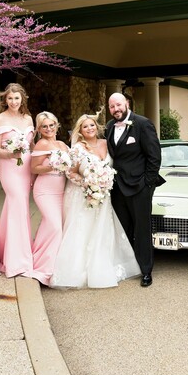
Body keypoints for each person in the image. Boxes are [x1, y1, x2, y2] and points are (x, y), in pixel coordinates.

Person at [50, 113, 141, 289]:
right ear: (80, 131)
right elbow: (70, 172)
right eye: (85, 126)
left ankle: (102, 266)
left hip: (104, 196)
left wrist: (103, 183)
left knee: (102, 230)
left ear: (96, 126)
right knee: (84, 229)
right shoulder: (77, 148)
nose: (89, 128)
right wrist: (88, 183)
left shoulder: (106, 143)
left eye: (92, 125)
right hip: (85, 195)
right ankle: (79, 270)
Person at [105, 93, 164, 287]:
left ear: (127, 104)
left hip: (140, 187)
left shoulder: (143, 124)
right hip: (117, 188)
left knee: (142, 229)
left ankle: (146, 270)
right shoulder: (109, 127)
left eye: (119, 105)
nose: (116, 109)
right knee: (123, 229)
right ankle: (127, 267)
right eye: (112, 106)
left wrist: (148, 183)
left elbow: (154, 156)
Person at [0, 83, 34, 278]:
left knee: (19, 207)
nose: (13, 101)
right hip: (9, 167)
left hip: (26, 168)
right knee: (16, 203)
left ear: (22, 99)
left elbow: (31, 145)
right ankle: (17, 261)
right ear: (5, 99)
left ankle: (7, 251)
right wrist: (10, 154)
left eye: (17, 98)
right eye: (10, 98)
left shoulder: (28, 118)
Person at [29, 112, 68, 286]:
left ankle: (49, 263)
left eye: (51, 125)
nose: (48, 128)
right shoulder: (42, 144)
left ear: (56, 125)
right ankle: (43, 268)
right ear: (39, 129)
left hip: (60, 192)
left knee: (54, 227)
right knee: (54, 226)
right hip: (45, 191)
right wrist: (53, 166)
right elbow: (34, 168)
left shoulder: (62, 145)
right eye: (44, 126)